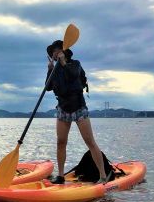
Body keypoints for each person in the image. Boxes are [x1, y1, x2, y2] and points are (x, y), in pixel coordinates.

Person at [44, 39, 112, 184]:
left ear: (64, 51)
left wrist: (62, 63)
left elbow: (73, 75)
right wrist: (50, 69)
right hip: (63, 108)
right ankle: (61, 176)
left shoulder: (75, 64)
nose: (55, 54)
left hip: (79, 107)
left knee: (90, 141)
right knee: (61, 142)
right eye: (53, 52)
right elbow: (48, 87)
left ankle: (103, 176)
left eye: (57, 50)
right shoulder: (54, 70)